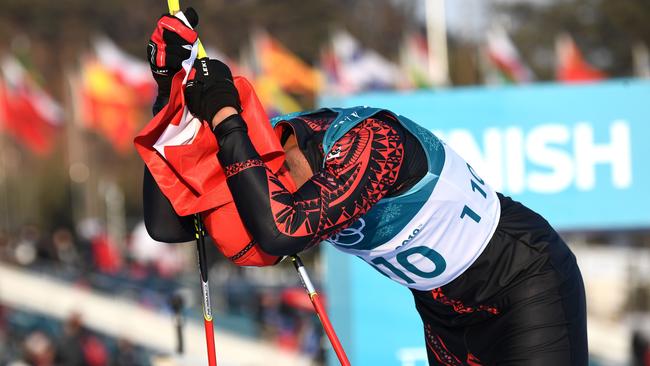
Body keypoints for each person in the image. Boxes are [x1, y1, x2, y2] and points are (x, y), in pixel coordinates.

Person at [142, 11, 588, 365]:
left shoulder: (368, 142)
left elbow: (282, 232)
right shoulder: (270, 155)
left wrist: (224, 115)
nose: (271, 206)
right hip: (445, 313)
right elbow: (168, 226)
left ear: (286, 152)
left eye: (275, 193)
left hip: (525, 282)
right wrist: (167, 90)